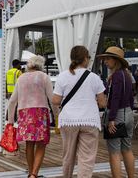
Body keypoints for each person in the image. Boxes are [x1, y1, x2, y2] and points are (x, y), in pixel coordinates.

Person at [52, 46, 107, 178]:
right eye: (88, 57)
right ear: (84, 59)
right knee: (86, 158)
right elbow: (102, 103)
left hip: (69, 120)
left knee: (68, 155)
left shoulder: (63, 76)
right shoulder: (94, 77)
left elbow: (55, 100)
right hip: (89, 120)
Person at [7, 55, 54, 178]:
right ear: (41, 65)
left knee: (29, 143)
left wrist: (10, 121)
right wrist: (58, 116)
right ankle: (34, 174)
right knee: (41, 143)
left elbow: (12, 101)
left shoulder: (21, 78)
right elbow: (52, 99)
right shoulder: (44, 77)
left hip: (24, 113)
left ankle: (30, 173)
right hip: (40, 113)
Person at [97, 46, 135, 178]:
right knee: (127, 149)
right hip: (128, 113)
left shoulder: (116, 76)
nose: (105, 62)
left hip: (117, 115)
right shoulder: (127, 75)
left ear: (115, 60)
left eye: (107, 59)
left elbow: (115, 99)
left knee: (114, 152)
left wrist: (112, 118)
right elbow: (130, 97)